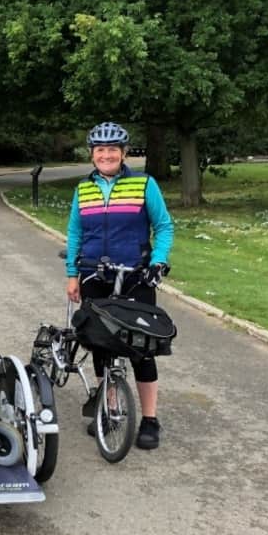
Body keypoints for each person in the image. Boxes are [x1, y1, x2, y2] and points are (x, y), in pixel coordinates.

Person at [65, 122, 174, 450]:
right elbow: (75, 233)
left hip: (136, 276)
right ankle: (108, 410)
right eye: (100, 150)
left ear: (124, 153)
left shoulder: (144, 184)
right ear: (92, 154)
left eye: (113, 150)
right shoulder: (83, 189)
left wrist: (158, 262)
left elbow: (164, 226)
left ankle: (150, 419)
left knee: (141, 347)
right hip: (94, 275)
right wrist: (72, 274)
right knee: (101, 343)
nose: (107, 155)